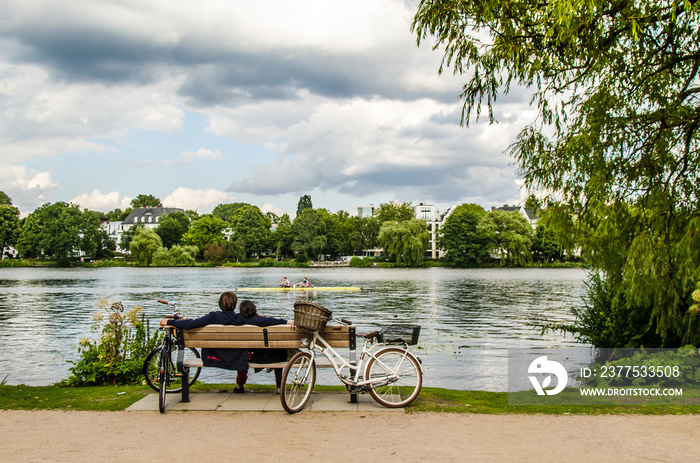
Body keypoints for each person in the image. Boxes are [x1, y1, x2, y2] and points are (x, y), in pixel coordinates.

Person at [160, 291, 291, 394]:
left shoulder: (212, 317)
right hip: (237, 358)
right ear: (235, 305)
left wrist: (170, 322)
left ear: (220, 304)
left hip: (215, 357)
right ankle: (246, 386)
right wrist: (284, 322)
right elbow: (263, 321)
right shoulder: (241, 319)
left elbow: (192, 324)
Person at [239, 300, 292, 393]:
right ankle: (279, 387)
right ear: (254, 309)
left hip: (252, 357)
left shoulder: (240, 322)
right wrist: (285, 321)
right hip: (273, 357)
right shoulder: (259, 321)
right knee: (277, 351)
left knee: (272, 351)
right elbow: (272, 320)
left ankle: (239, 386)